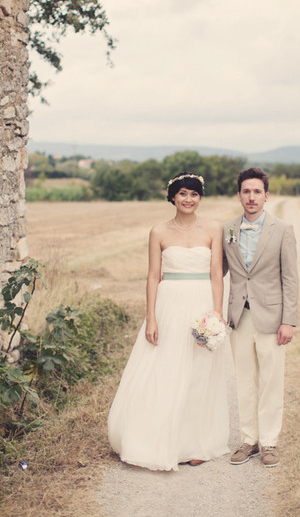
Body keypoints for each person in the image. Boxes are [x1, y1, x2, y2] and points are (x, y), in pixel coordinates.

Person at [108, 172, 230, 471]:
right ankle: (156, 439)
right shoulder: (159, 231)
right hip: (169, 304)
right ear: (172, 197)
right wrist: (151, 318)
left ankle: (195, 443)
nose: (189, 199)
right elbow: (153, 276)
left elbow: (216, 273)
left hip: (202, 303)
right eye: (183, 193)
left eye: (194, 194)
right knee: (164, 368)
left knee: (200, 373)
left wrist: (217, 313)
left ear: (200, 198)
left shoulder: (214, 228)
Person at [223, 167, 298, 468]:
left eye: (257, 192)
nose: (251, 197)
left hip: (271, 318)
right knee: (244, 381)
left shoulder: (283, 230)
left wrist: (288, 320)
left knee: (271, 382)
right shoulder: (227, 229)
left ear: (266, 196)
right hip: (239, 316)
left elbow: (290, 279)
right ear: (239, 195)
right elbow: (219, 271)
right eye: (246, 191)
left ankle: (269, 443)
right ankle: (248, 440)